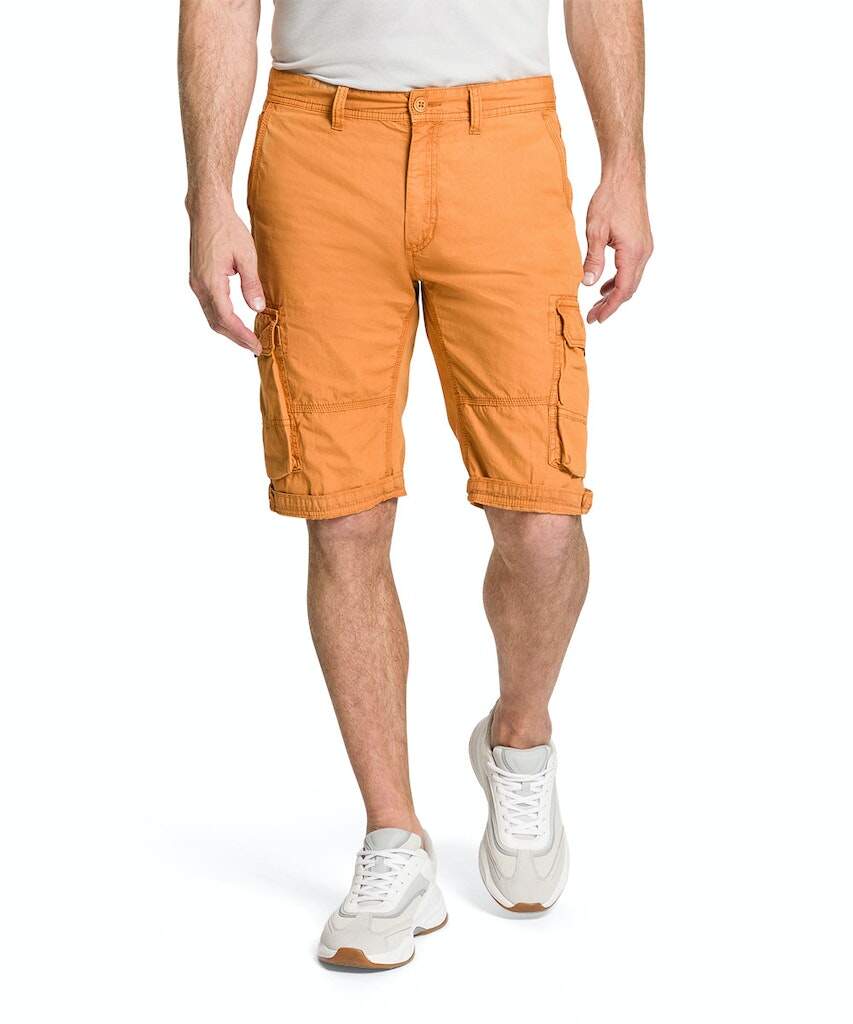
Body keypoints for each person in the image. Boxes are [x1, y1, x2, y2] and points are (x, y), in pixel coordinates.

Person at [178, 0, 652, 970]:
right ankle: (393, 836)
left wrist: (625, 164)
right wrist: (208, 196)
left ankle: (518, 734)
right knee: (341, 511)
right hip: (317, 147)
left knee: (541, 515)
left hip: (502, 140)